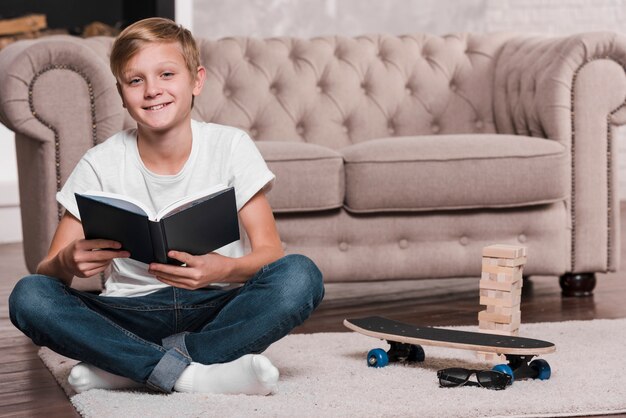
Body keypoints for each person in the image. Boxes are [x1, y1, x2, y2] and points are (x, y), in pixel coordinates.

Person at [9, 17, 324, 396]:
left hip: (215, 306)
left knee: (301, 276)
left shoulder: (231, 146)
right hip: (130, 314)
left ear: (196, 80)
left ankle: (131, 368)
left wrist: (223, 268)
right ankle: (193, 374)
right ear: (121, 92)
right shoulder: (99, 163)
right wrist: (66, 262)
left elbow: (271, 253)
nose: (152, 91)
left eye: (167, 74)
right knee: (28, 296)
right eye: (136, 80)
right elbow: (49, 274)